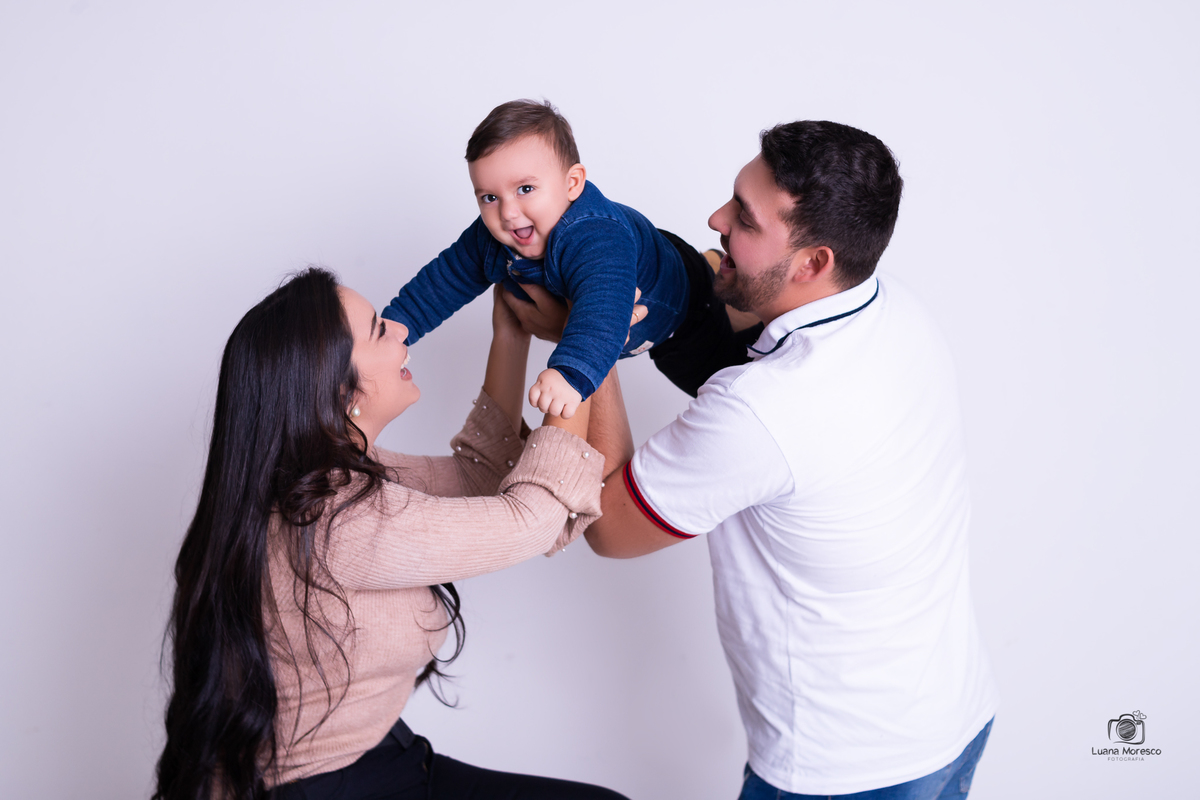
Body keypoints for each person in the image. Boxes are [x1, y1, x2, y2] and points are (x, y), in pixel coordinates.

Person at [508, 121, 999, 799]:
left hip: (842, 773)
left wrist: (589, 339)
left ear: (813, 262)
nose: (716, 219)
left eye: (743, 218)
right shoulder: (896, 313)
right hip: (951, 715)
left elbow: (611, 530)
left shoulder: (763, 410)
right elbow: (720, 326)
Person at [153, 268, 630, 800]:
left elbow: (479, 478)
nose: (403, 331)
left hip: (384, 758)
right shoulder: (338, 519)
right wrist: (586, 344)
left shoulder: (328, 484)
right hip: (326, 788)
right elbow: (533, 517)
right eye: (380, 329)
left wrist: (511, 333)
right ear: (337, 386)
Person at [380, 98, 732, 419]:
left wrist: (570, 374)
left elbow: (602, 310)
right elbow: (446, 278)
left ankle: (712, 266)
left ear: (572, 184)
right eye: (489, 197)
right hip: (644, 273)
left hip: (684, 310)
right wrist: (396, 326)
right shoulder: (492, 234)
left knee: (716, 378)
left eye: (525, 189)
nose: (507, 212)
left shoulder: (593, 237)